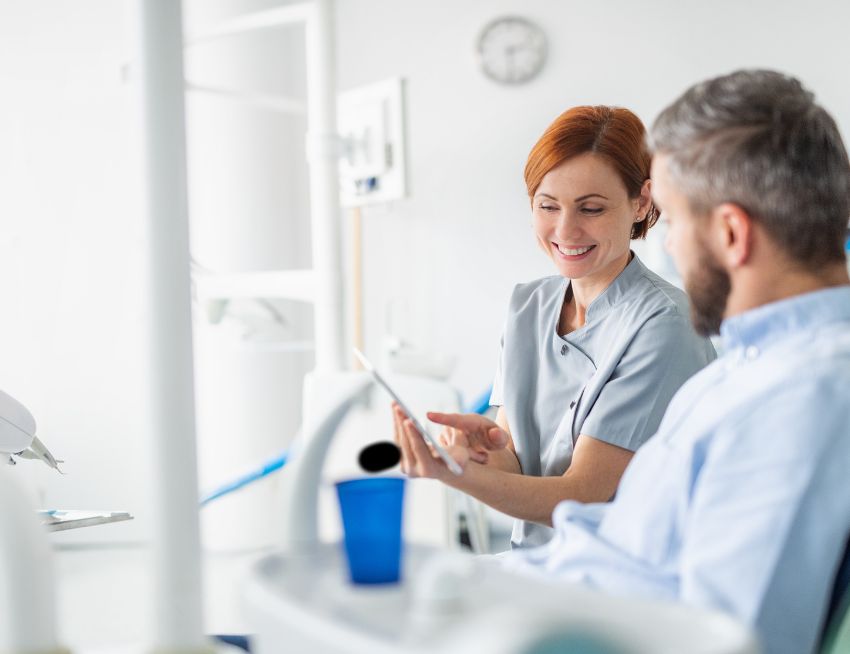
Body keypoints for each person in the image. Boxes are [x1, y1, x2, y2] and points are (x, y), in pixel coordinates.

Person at [483, 70, 850, 654]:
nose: (669, 245)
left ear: (732, 233)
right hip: (546, 590)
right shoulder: (750, 366)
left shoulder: (803, 398)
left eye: (674, 222)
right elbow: (622, 537)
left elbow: (733, 637)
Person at [394, 105, 715, 548]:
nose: (566, 230)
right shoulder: (528, 305)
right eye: (548, 206)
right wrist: (483, 453)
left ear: (642, 202)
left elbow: (581, 497)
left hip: (621, 581)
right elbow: (517, 465)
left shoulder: (664, 323)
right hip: (538, 566)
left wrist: (459, 475)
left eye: (592, 208)